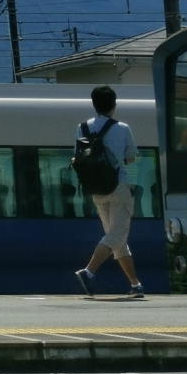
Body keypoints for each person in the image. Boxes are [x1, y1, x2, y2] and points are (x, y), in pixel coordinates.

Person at [74, 85, 144, 299]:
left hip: (97, 190)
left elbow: (77, 158)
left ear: (94, 104)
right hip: (118, 186)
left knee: (116, 239)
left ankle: (135, 284)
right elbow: (131, 157)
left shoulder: (82, 128)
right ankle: (88, 271)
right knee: (117, 234)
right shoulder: (122, 128)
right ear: (114, 105)